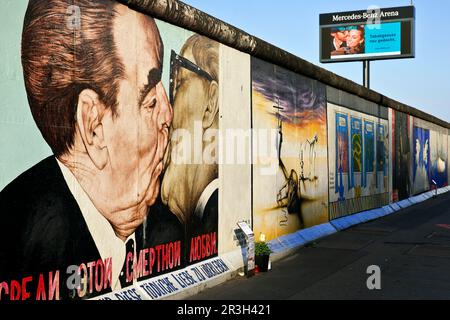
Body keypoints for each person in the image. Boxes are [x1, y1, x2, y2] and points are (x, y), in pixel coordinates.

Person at [0, 0, 173, 300]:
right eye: (150, 102)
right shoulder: (14, 242)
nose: (168, 115)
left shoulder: (168, 230)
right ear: (93, 127)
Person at [161, 35, 219, 263]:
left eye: (179, 81)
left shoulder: (214, 212)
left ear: (210, 104)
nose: (167, 107)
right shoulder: (187, 216)